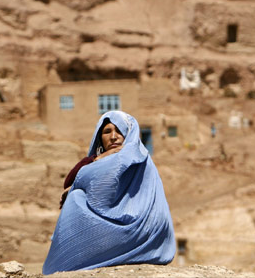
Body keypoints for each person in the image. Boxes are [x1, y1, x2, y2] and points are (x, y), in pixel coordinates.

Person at [43, 111, 176, 274]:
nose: (114, 137)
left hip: (142, 230)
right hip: (117, 233)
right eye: (107, 132)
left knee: (75, 196)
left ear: (129, 133)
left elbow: (77, 181)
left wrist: (94, 166)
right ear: (100, 138)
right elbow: (75, 181)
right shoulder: (99, 161)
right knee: (76, 194)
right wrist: (100, 158)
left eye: (119, 131)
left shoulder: (136, 156)